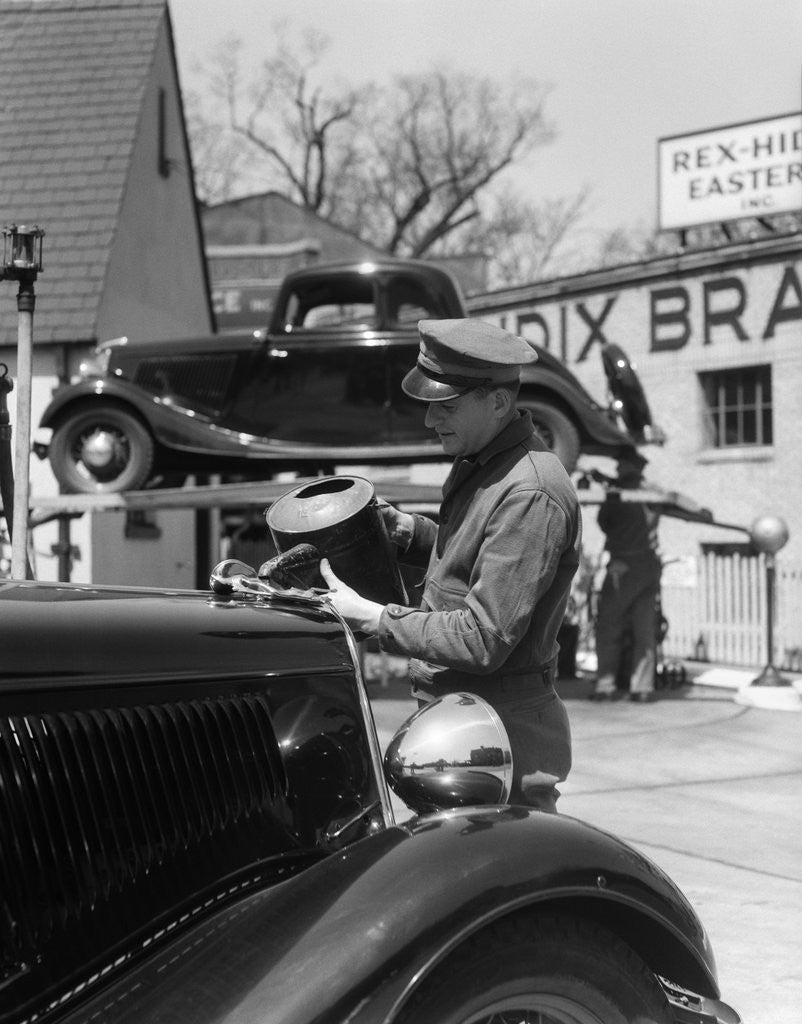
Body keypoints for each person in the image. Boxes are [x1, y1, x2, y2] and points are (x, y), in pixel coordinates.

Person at [320, 318, 582, 813]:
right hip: (463, 717)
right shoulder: (484, 462)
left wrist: (374, 617)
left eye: (447, 406)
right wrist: (408, 533)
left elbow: (485, 638)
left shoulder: (529, 491)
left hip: (500, 734)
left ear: (499, 402)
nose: (430, 420)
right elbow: (482, 556)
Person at [590, 452, 662, 703]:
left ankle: (606, 685)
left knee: (609, 625)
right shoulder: (652, 492)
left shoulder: (617, 495)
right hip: (650, 563)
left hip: (623, 564)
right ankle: (642, 687)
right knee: (644, 629)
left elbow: (604, 522)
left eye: (620, 464)